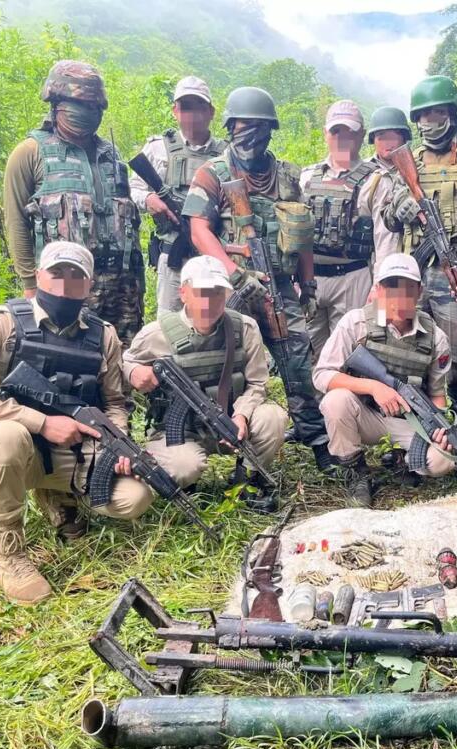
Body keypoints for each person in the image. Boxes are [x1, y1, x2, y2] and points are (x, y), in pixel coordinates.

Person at [0, 242, 153, 605]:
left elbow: (115, 403)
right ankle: (10, 555)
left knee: (134, 498)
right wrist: (40, 422)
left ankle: (56, 495)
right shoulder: (1, 323)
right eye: (57, 273)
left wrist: (118, 444)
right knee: (5, 436)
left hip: (74, 448)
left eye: (76, 276)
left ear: (89, 285)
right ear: (38, 275)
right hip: (16, 451)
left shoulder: (103, 335)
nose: (65, 284)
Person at [182, 86, 334, 472]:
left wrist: (308, 284)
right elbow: (199, 230)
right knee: (224, 364)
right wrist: (234, 273)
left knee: (297, 363)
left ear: (271, 130)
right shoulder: (213, 172)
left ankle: (317, 440)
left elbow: (302, 236)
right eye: (243, 127)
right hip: (230, 289)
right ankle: (221, 440)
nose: (251, 135)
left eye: (260, 127)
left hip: (278, 286)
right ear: (231, 127)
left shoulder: (287, 175)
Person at [123, 256, 286, 512]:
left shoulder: (244, 328)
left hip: (229, 423)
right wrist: (133, 371)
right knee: (183, 468)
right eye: (202, 293)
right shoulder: (157, 333)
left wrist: (241, 416)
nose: (210, 302)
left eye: (217, 293)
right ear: (183, 293)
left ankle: (248, 479)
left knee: (272, 417)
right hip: (180, 430)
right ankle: (187, 484)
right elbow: (123, 363)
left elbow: (257, 383)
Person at [3, 59, 144, 342]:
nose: (88, 112)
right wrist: (31, 286)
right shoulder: (30, 153)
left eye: (94, 105)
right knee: (67, 361)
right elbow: (16, 222)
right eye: (80, 104)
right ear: (56, 103)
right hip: (63, 291)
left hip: (123, 293)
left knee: (121, 363)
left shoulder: (111, 156)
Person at [384, 76, 457, 429]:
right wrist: (400, 206)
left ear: (453, 113)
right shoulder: (408, 159)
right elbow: (388, 218)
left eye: (438, 113)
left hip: (455, 269)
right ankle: (413, 428)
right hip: (413, 271)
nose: (431, 121)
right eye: (424, 115)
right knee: (405, 347)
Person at [314, 253, 455, 507]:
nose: (399, 297)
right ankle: (356, 473)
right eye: (391, 287)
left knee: (443, 460)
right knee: (335, 401)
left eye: (407, 288)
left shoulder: (435, 338)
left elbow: (437, 394)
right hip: (364, 415)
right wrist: (373, 386)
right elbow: (322, 374)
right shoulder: (356, 323)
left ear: (419, 291)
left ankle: (403, 460)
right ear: (378, 290)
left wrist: (440, 427)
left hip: (408, 422)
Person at [129, 76, 228, 315]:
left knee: (214, 318)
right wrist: (149, 200)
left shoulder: (226, 154)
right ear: (175, 111)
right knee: (170, 321)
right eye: (185, 107)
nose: (192, 114)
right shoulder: (158, 148)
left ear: (211, 112)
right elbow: (132, 189)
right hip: (173, 252)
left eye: (198, 106)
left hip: (213, 255)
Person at [299, 100, 377, 356]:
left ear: (362, 135)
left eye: (349, 132)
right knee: (308, 351)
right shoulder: (306, 178)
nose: (342, 139)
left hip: (352, 277)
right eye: (335, 132)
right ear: (325, 134)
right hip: (310, 279)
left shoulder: (375, 180)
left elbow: (385, 239)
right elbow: (293, 233)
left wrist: (378, 286)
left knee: (350, 351)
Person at [358, 106, 412, 260]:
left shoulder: (420, 168)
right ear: (373, 141)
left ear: (404, 138)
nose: (389, 143)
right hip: (374, 261)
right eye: (382, 137)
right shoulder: (362, 174)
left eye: (394, 137)